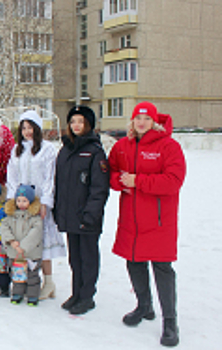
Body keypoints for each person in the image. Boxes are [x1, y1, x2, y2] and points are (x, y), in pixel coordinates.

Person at [109, 102, 186, 347]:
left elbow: (173, 181)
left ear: (154, 121)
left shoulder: (168, 146)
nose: (141, 122)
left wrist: (137, 181)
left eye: (146, 118)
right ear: (132, 121)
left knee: (162, 269)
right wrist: (121, 182)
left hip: (159, 221)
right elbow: (110, 172)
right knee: (133, 261)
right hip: (131, 219)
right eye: (137, 118)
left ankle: (170, 321)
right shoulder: (122, 146)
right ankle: (144, 306)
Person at [54, 105, 110, 315]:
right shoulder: (65, 150)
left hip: (87, 217)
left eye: (81, 121)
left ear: (88, 125)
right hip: (69, 215)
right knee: (74, 259)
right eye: (73, 121)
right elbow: (59, 183)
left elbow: (99, 188)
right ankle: (76, 293)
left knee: (88, 259)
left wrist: (91, 214)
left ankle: (87, 297)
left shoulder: (95, 152)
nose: (76, 125)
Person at [6, 110, 66, 300]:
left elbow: (50, 177)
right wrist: (12, 200)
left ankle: (48, 282)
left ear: (37, 128)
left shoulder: (47, 149)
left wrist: (46, 202)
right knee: (25, 243)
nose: (27, 131)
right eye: (24, 128)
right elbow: (12, 177)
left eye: (30, 127)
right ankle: (24, 282)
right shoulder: (17, 150)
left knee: (42, 243)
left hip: (39, 204)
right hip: (22, 206)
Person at [0, 185, 43, 306]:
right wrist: (11, 241)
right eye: (19, 200)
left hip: (31, 253)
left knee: (32, 276)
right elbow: (4, 228)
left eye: (24, 201)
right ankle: (17, 293)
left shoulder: (35, 218)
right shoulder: (11, 216)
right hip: (15, 253)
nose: (21, 203)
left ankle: (33, 295)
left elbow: (35, 233)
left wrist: (23, 246)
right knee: (17, 275)